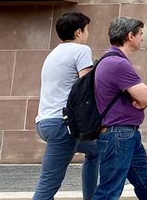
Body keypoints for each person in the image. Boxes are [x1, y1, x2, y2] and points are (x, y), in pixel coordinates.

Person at [92, 16, 147, 200]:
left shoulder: (108, 60)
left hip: (124, 133)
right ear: (130, 36)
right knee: (109, 190)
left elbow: (142, 98)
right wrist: (142, 101)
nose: (142, 38)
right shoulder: (118, 63)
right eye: (140, 34)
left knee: (145, 184)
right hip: (119, 134)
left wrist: (141, 101)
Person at [31, 12, 100, 200]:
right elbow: (87, 86)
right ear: (79, 32)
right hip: (64, 125)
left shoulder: (54, 53)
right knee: (47, 186)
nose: (87, 34)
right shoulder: (81, 50)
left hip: (46, 123)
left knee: (96, 150)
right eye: (87, 30)